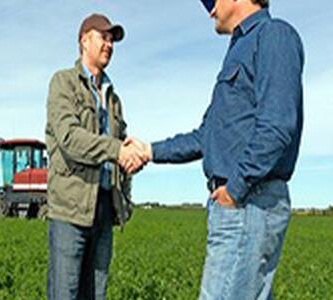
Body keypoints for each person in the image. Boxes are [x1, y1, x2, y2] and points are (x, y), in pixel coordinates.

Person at [130, 0, 304, 298]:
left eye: (211, 1)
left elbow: (277, 126)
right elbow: (205, 136)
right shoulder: (238, 49)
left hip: (249, 203)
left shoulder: (273, 35)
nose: (209, 10)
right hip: (240, 204)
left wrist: (235, 190)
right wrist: (149, 150)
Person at [45, 13, 146, 300]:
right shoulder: (63, 83)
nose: (109, 44)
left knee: (95, 294)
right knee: (65, 292)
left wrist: (132, 159)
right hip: (71, 208)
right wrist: (117, 150)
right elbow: (69, 138)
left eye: (112, 39)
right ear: (84, 40)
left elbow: (121, 143)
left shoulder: (113, 98)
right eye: (104, 37)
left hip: (103, 206)